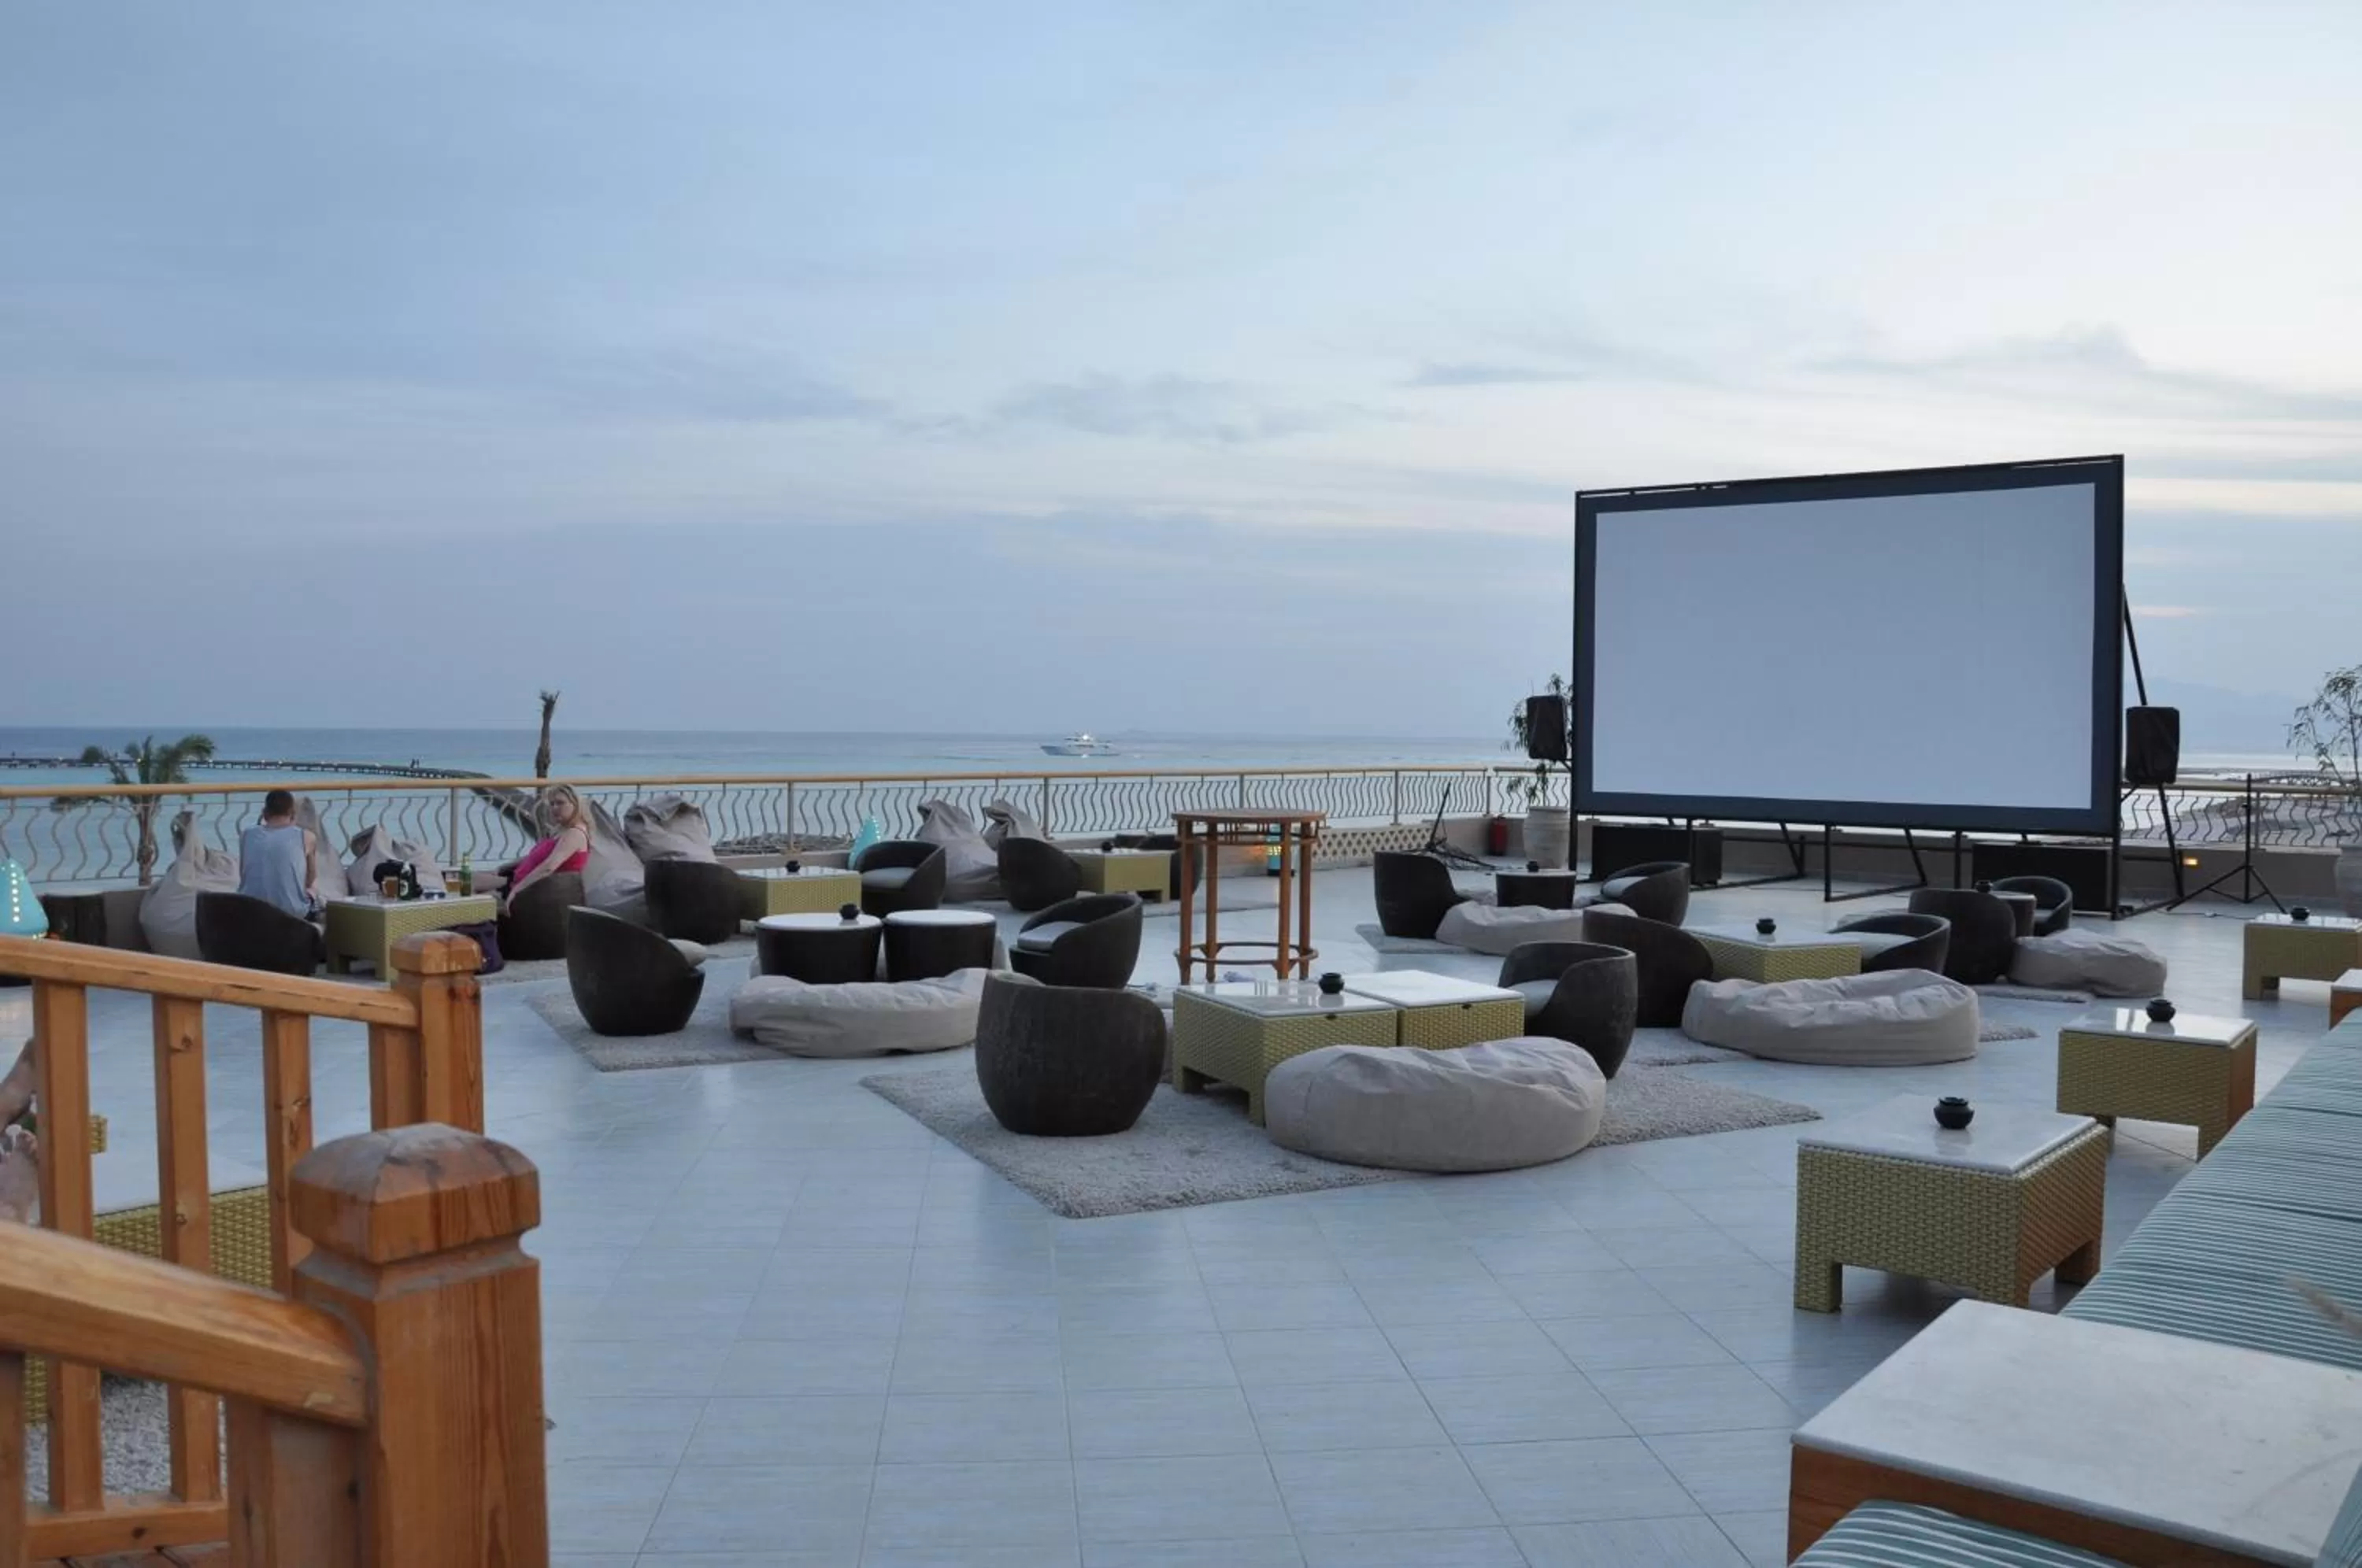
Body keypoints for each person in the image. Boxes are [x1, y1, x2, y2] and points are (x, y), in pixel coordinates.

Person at [495, 784, 592, 910]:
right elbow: (535, 857)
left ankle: (479, 926)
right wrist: (502, 869)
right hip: (521, 880)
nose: (554, 808)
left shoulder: (574, 834)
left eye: (560, 803)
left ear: (575, 805)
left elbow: (548, 867)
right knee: (471, 881)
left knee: (474, 898)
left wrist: (516, 890)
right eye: (552, 804)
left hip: (536, 890)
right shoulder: (562, 830)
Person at [237, 788, 319, 919]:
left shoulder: (247, 835)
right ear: (292, 813)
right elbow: (311, 878)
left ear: (265, 813)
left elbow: (243, 873)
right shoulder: (307, 837)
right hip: (291, 914)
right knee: (314, 888)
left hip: (249, 909)